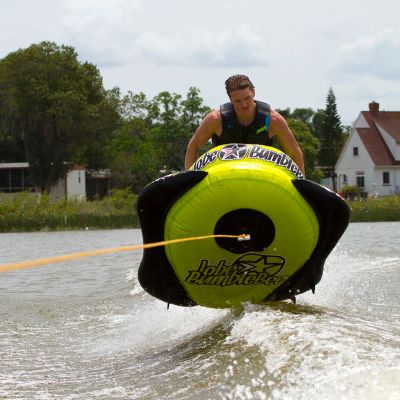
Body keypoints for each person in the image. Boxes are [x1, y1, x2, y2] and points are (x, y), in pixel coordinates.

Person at [184, 74, 305, 174]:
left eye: (247, 98)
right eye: (238, 101)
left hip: (261, 177)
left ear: (254, 92)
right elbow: (193, 146)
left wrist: (301, 186)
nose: (244, 105)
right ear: (230, 98)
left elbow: (294, 152)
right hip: (223, 178)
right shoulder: (216, 120)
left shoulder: (272, 120)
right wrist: (189, 179)